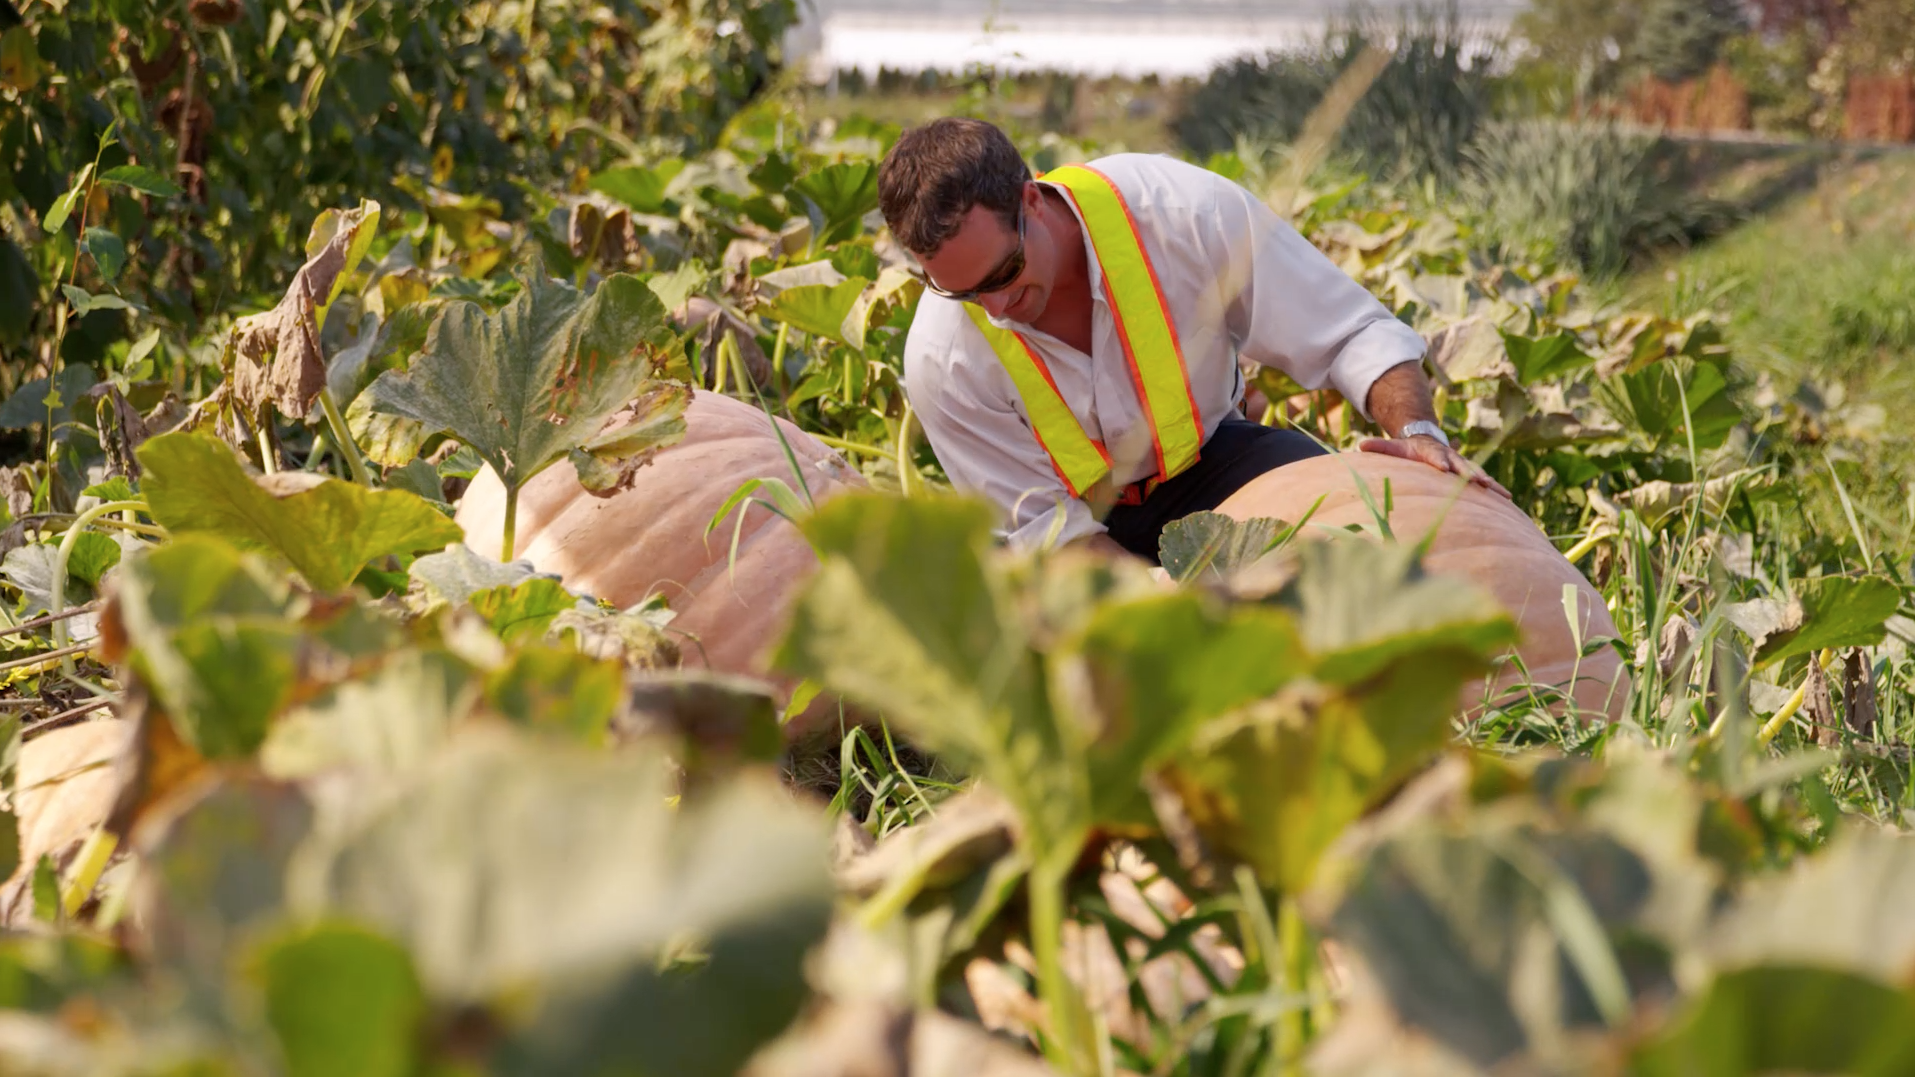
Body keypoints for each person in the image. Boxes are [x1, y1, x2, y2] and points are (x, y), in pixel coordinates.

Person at [877, 117, 1508, 563]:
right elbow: (1050, 539)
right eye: (963, 293)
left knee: (1358, 530)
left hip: (1213, 466)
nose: (994, 307)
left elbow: (1351, 332)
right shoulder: (941, 359)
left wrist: (1420, 435)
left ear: (1031, 200)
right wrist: (1168, 607)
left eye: (1005, 274)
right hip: (1078, 531)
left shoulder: (1185, 215)